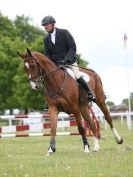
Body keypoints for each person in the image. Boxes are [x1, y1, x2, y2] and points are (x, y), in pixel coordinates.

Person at [41, 15, 96, 102]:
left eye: (47, 24)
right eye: (44, 25)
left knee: (77, 76)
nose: (45, 27)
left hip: (69, 62)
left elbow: (72, 47)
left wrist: (66, 60)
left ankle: (89, 93)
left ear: (53, 24)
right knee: (50, 78)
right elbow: (47, 54)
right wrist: (49, 64)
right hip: (56, 64)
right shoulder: (46, 39)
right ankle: (50, 100)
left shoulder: (64, 33)